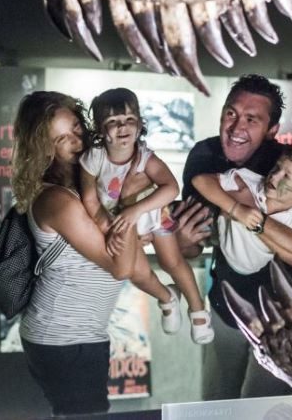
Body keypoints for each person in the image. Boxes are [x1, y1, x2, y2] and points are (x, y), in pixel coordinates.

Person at [174, 74, 292, 399]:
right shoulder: (204, 155)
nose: (236, 127)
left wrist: (247, 214)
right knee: (217, 403)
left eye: (252, 119)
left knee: (261, 405)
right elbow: (194, 239)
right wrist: (185, 241)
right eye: (231, 113)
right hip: (226, 309)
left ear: (272, 131)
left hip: (280, 319)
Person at [12, 91, 139, 416]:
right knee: (85, 414)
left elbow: (127, 249)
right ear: (44, 148)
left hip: (83, 333)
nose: (77, 141)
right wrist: (132, 203)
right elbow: (121, 267)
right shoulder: (59, 201)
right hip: (64, 338)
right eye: (61, 139)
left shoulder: (85, 189)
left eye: (77, 128)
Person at [81, 88, 214, 344]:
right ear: (99, 129)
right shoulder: (94, 158)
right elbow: (90, 200)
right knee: (135, 272)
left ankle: (198, 310)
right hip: (119, 224)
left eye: (129, 119)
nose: (123, 126)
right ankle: (167, 298)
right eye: (113, 121)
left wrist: (136, 209)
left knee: (171, 262)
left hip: (152, 215)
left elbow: (171, 188)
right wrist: (108, 228)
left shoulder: (145, 157)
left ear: (140, 124)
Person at [192, 141, 292, 279]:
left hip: (248, 271)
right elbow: (199, 180)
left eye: (286, 176)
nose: (274, 176)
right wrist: (236, 209)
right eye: (277, 167)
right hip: (217, 234)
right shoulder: (249, 181)